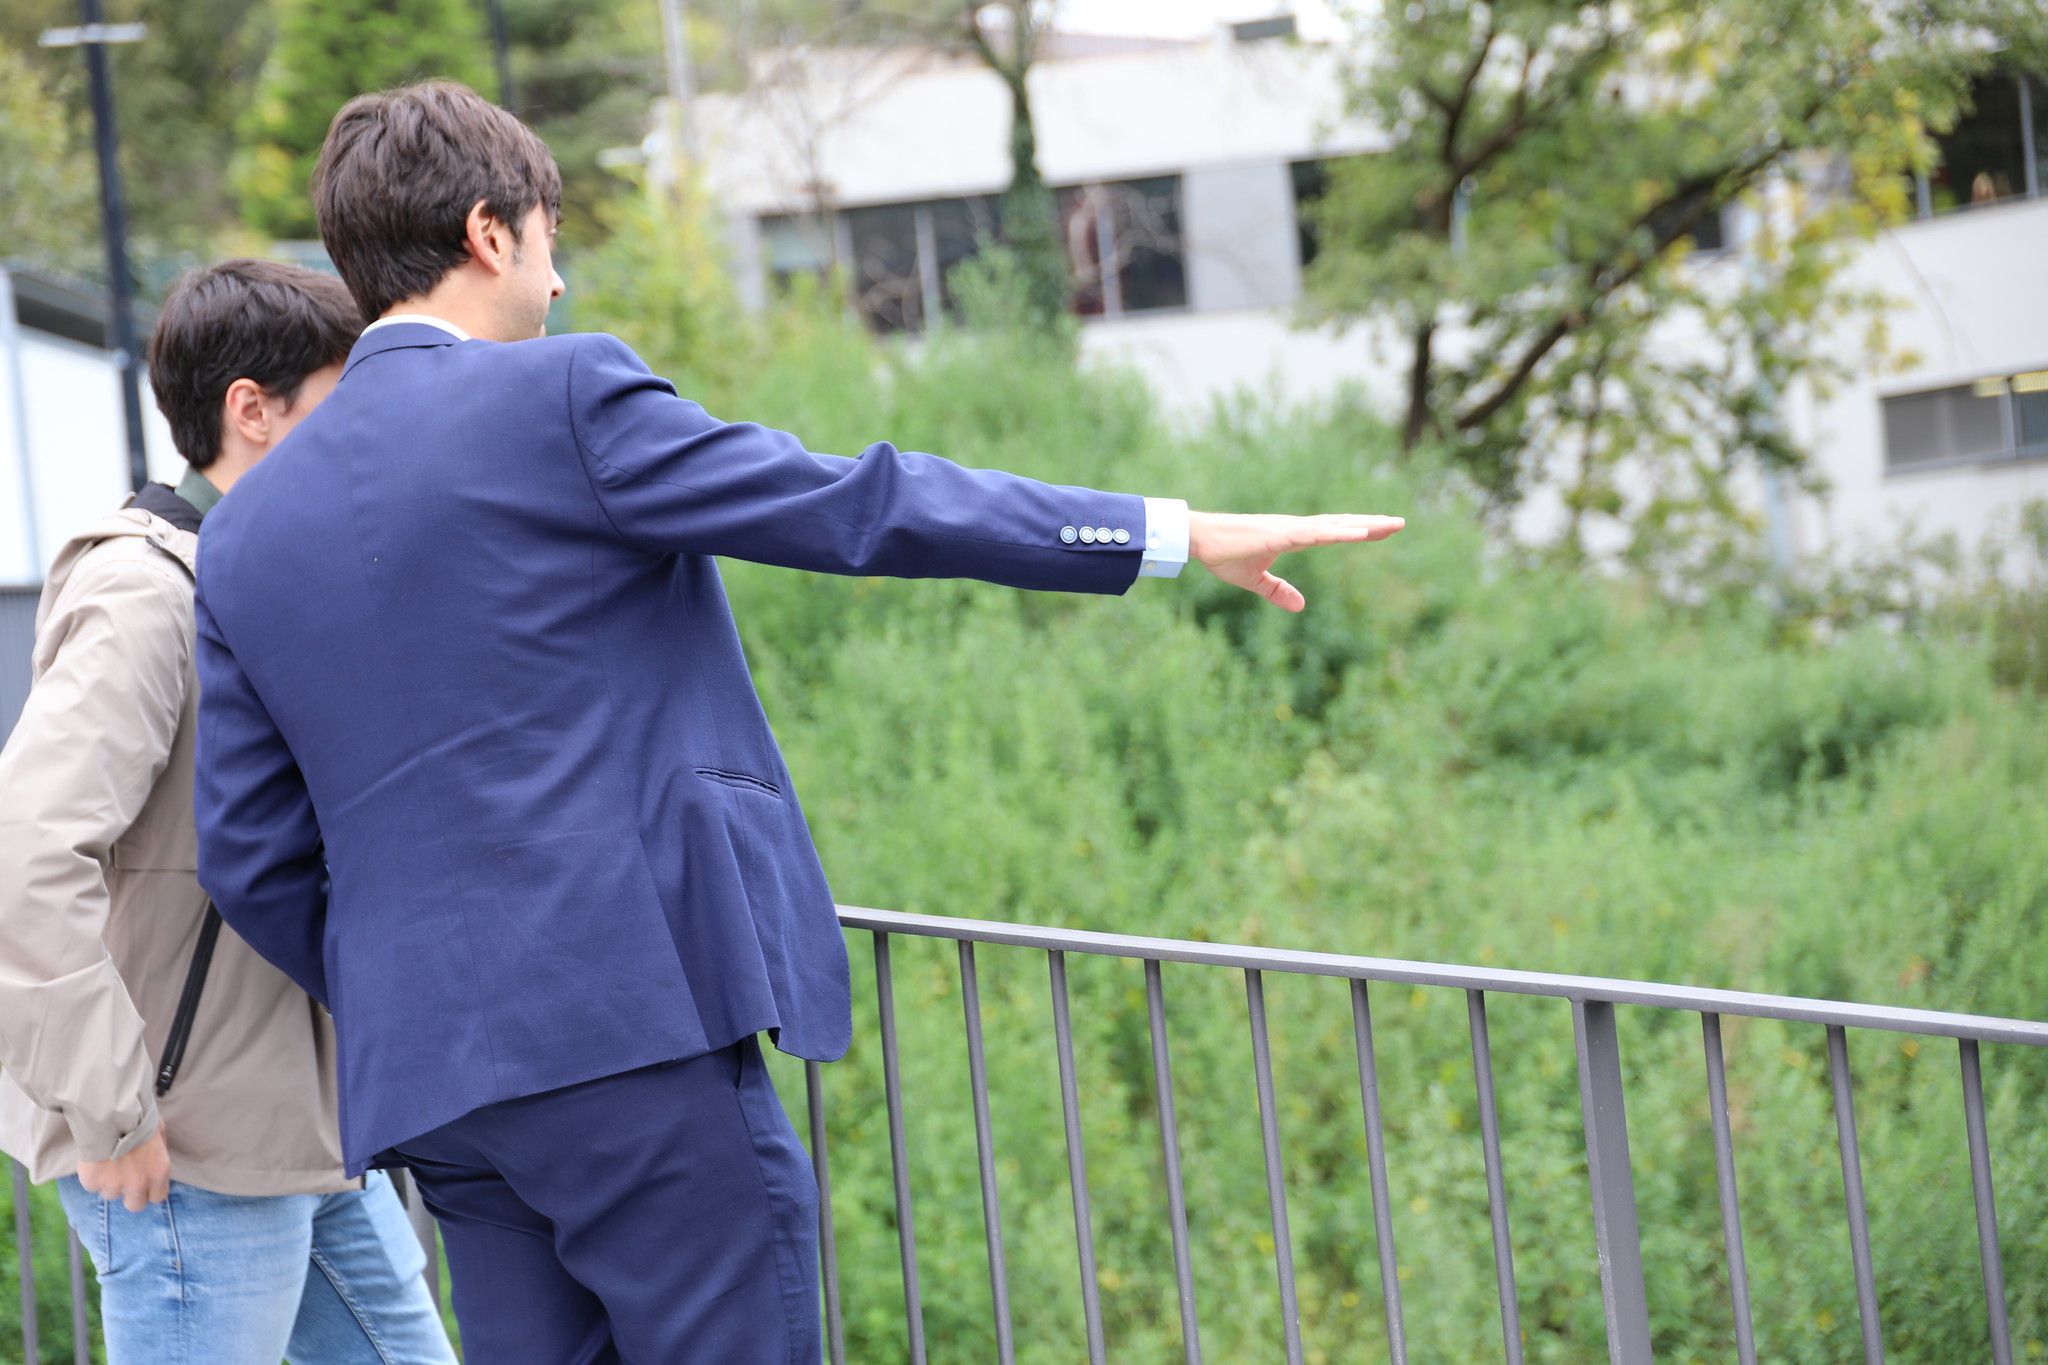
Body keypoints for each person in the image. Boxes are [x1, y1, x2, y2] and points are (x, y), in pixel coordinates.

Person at [192, 81, 1404, 1363]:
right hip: (630, 1037)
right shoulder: (557, 400)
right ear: (492, 234)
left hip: (438, 1089)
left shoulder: (246, 531)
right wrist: (1170, 533)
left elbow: (250, 858)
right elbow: (858, 506)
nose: (557, 288)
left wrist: (416, 982)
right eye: (551, 245)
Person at [0, 260, 456, 1365]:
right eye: (340, 411)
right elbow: (24, 854)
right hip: (183, 1146)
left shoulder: (249, 573)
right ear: (249, 411)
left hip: (303, 1133)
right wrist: (114, 1113)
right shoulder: (143, 593)